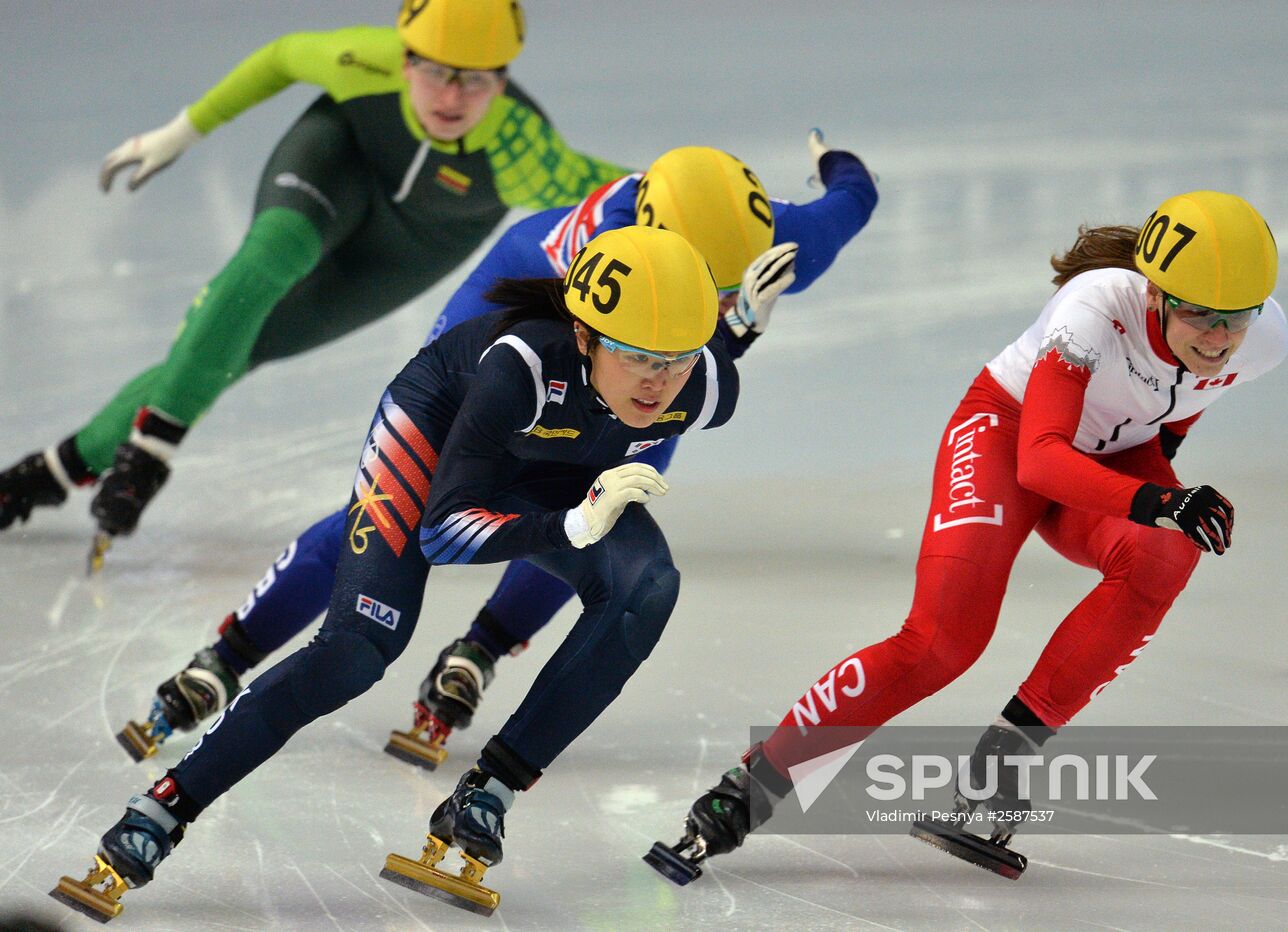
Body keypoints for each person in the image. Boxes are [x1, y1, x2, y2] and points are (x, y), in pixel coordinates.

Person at [112, 134, 879, 766]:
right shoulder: (583, 251)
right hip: (510, 322)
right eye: (701, 289)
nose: (706, 307)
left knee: (606, 501)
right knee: (404, 502)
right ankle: (233, 651)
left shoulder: (773, 246)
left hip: (629, 379)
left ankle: (481, 647)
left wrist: (833, 160)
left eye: (718, 293)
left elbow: (850, 205)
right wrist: (732, 334)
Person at [52, 225, 742, 920]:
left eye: (678, 359)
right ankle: (165, 809)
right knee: (356, 649)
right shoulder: (519, 367)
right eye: (636, 356)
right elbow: (442, 534)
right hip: (436, 441)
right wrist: (572, 525)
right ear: (586, 336)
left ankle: (488, 793)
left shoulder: (707, 386)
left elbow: (710, 354)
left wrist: (738, 324)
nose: (659, 380)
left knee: (646, 590)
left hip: (549, 469)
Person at [645, 191, 1288, 884]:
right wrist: (1158, 497)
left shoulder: (1266, 342)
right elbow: (1040, 459)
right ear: (1157, 291)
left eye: (1236, 318)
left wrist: (1158, 499)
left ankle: (1001, 764)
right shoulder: (1097, 306)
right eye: (1197, 312)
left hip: (1108, 456)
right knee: (943, 641)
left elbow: (1169, 414)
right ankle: (752, 789)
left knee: (1167, 550)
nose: (1218, 337)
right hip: (1009, 435)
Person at [0, 0, 629, 563]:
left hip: (410, 247)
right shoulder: (363, 60)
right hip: (336, 164)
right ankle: (151, 447)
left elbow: (630, 196)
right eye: (436, 70)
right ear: (405, 60)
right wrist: (182, 130)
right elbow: (280, 58)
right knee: (267, 259)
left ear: (502, 80)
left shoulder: (524, 152)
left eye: (477, 79)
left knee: (238, 346)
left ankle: (53, 470)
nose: (452, 96)